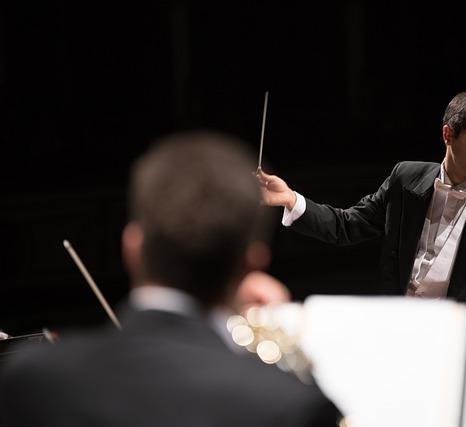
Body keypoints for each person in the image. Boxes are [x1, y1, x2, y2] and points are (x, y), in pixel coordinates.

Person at [0, 132, 340, 426]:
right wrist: (286, 354)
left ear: (130, 248)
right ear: (251, 265)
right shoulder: (290, 405)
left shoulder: (31, 381)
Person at [257, 91, 466, 316]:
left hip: (456, 344)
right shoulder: (405, 178)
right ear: (447, 135)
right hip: (396, 327)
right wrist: (291, 199)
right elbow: (347, 226)